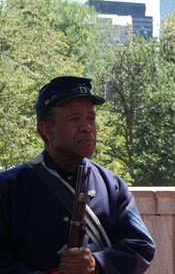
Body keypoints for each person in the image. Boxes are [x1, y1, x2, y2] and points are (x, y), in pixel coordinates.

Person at [0, 76, 156, 273]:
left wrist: (96, 264)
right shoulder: (9, 187)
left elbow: (140, 246)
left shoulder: (112, 185)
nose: (87, 127)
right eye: (75, 119)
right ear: (47, 130)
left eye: (91, 118)